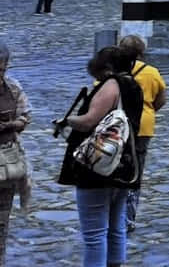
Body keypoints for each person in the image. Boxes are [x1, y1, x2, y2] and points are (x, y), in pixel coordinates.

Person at [55, 44, 142, 267]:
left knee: (95, 233)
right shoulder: (133, 85)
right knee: (116, 227)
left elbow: (90, 121)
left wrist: (67, 121)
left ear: (106, 68)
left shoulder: (112, 85)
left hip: (99, 165)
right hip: (125, 164)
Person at [0, 40, 31, 267]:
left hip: (4, 168)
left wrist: (14, 124)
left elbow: (25, 115)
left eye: (0, 70)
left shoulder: (12, 88)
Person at [116, 36, 164, 233]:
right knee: (136, 171)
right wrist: (148, 111)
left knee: (114, 167)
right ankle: (128, 217)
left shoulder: (113, 72)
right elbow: (161, 99)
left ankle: (113, 213)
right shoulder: (151, 72)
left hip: (117, 124)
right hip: (143, 125)